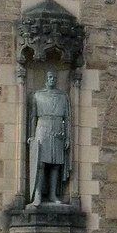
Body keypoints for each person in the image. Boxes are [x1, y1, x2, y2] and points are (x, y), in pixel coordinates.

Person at [28, 69, 71, 206]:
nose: (52, 79)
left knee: (56, 165)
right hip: (42, 128)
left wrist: (68, 137)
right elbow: (32, 117)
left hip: (58, 129)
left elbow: (68, 118)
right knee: (41, 163)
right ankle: (38, 195)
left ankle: (53, 195)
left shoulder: (62, 96)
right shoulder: (38, 95)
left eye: (54, 77)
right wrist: (31, 135)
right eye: (50, 76)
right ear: (46, 78)